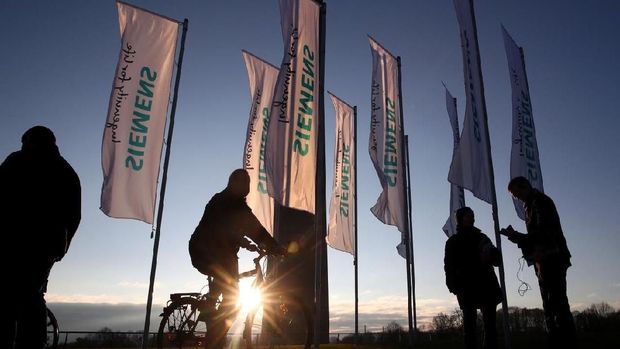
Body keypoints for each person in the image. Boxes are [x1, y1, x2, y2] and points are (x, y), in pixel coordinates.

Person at [0, 126, 81, 349]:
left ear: (29, 142)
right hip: (47, 247)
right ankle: (33, 343)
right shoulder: (67, 172)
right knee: (31, 296)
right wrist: (61, 248)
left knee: (8, 297)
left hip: (12, 243)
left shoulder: (16, 162)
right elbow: (74, 217)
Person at [189, 168, 285, 349]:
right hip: (205, 251)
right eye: (243, 183)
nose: (246, 187)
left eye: (247, 184)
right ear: (233, 184)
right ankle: (214, 331)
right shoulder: (220, 201)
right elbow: (220, 228)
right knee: (233, 295)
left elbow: (255, 228)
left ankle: (213, 328)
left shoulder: (239, 206)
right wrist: (241, 240)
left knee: (225, 293)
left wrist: (274, 247)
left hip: (221, 254)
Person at [501, 176, 576, 348]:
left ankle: (566, 343)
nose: (516, 198)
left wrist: (518, 237)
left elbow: (543, 234)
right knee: (551, 306)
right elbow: (537, 236)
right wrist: (520, 239)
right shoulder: (531, 205)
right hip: (543, 259)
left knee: (557, 305)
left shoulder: (540, 202)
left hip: (552, 258)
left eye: (516, 193)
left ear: (524, 186)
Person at [444, 207, 501, 349]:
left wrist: (493, 254)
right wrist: (454, 287)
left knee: (491, 328)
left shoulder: (482, 238)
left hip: (486, 286)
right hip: (466, 288)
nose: (472, 219)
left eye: (473, 216)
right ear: (461, 219)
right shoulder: (453, 242)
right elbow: (449, 267)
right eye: (469, 216)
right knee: (469, 329)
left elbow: (497, 260)